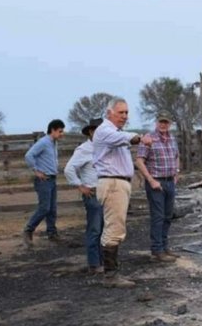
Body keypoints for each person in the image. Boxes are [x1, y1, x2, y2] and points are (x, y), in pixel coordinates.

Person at [92, 97, 152, 288]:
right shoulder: (105, 131)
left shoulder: (114, 131)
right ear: (109, 113)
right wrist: (140, 138)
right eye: (121, 112)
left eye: (126, 113)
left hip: (118, 183)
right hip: (113, 184)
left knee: (114, 228)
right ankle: (110, 276)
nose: (124, 116)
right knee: (114, 230)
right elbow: (124, 138)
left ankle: (110, 272)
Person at [135, 112, 180, 263]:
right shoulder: (149, 138)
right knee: (158, 216)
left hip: (170, 181)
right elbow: (139, 161)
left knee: (168, 216)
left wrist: (176, 173)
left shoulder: (172, 138)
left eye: (166, 122)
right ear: (156, 122)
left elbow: (176, 156)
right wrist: (150, 180)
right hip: (156, 182)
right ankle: (157, 249)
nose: (163, 125)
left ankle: (165, 246)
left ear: (170, 124)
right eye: (161, 122)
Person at [64, 118, 104, 274]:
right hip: (93, 192)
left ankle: (102, 260)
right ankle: (94, 263)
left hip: (106, 190)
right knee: (95, 228)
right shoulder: (84, 149)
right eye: (96, 130)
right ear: (90, 132)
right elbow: (69, 169)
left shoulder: (105, 148)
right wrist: (80, 186)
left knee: (104, 228)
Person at [22, 119, 65, 246]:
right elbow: (29, 155)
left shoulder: (53, 143)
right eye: (60, 131)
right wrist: (36, 170)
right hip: (43, 180)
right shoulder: (44, 142)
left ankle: (52, 233)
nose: (62, 134)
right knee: (44, 207)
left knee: (52, 209)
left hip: (51, 178)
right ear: (52, 130)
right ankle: (28, 229)